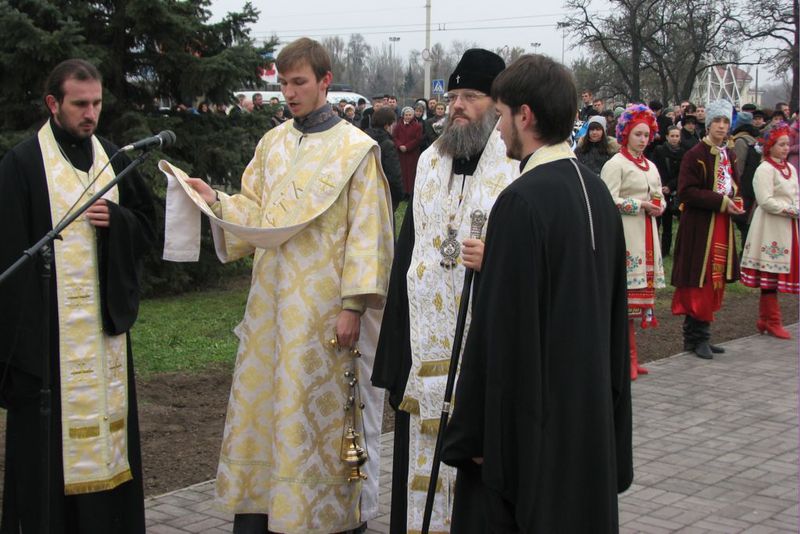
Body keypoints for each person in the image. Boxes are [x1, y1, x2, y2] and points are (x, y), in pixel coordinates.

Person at [178, 38, 394, 533]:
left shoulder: (357, 152)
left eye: (299, 83)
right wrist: (216, 199)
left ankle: (321, 518)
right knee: (267, 412)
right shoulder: (271, 144)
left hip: (323, 314)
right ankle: (266, 511)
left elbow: (369, 235)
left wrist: (354, 307)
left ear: (324, 81)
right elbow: (255, 215)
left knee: (312, 418)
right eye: (283, 84)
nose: (289, 93)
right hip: (270, 308)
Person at [441, 53, 632, 533]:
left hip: (533, 434)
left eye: (503, 115)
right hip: (583, 420)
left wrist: (481, 435)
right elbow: (612, 318)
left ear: (525, 115)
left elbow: (501, 332)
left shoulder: (522, 200)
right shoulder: (595, 192)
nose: (499, 128)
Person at [0, 58, 155, 533]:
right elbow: (9, 251)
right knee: (47, 463)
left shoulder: (114, 158)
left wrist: (120, 223)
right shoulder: (23, 164)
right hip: (47, 347)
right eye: (80, 104)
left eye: (97, 103)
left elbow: (149, 227)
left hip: (102, 336)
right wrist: (22, 352)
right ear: (54, 104)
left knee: (110, 454)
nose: (91, 114)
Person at [371, 48, 519, 534]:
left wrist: (496, 257)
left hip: (483, 352)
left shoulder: (518, 168)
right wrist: (395, 352)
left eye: (470, 97)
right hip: (423, 352)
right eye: (453, 96)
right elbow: (408, 251)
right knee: (418, 476)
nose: (457, 106)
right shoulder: (432, 163)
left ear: (499, 103)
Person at [671, 99, 745, 360]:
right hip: (700, 226)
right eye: (717, 121)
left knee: (715, 279)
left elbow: (733, 185)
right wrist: (722, 202)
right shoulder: (695, 155)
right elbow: (687, 193)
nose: (722, 126)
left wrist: (736, 199)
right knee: (699, 279)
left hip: (721, 224)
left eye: (725, 121)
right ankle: (695, 337)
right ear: (708, 123)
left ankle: (702, 334)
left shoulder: (729, 154)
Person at [601, 104, 665, 380]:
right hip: (626, 233)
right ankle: (624, 358)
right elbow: (607, 199)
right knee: (625, 302)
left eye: (646, 134)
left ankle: (633, 356)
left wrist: (659, 205)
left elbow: (657, 193)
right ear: (625, 133)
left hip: (646, 233)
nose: (643, 139)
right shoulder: (616, 164)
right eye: (638, 134)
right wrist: (639, 205)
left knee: (637, 303)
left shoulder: (650, 165)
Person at [740, 123, 799, 338]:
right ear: (770, 146)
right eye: (781, 144)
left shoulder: (790, 169)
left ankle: (766, 319)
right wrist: (791, 210)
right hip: (769, 225)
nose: (785, 148)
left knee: (777, 272)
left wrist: (796, 207)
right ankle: (772, 320)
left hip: (786, 225)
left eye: (787, 144)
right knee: (769, 272)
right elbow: (765, 201)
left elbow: (795, 193)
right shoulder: (764, 169)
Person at [653, 125, 686, 256]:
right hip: (659, 188)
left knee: (668, 224)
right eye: (672, 136)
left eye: (677, 136)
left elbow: (682, 173)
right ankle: (655, 248)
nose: (674, 138)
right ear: (667, 137)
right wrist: (662, 185)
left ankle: (665, 250)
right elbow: (655, 168)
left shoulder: (683, 153)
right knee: (657, 221)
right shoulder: (659, 150)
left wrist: (671, 186)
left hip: (673, 190)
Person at [365, 107, 404, 211]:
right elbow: (393, 174)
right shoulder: (388, 144)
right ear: (387, 125)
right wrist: (400, 194)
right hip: (384, 194)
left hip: (365, 192)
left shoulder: (363, 138)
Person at [393, 106, 423, 196]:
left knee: (411, 173)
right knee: (402, 172)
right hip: (401, 154)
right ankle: (403, 192)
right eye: (406, 115)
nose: (408, 116)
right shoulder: (398, 125)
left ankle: (410, 192)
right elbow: (395, 137)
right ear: (403, 115)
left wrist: (407, 146)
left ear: (413, 116)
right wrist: (399, 145)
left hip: (412, 153)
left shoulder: (417, 126)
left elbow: (417, 139)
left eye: (410, 115)